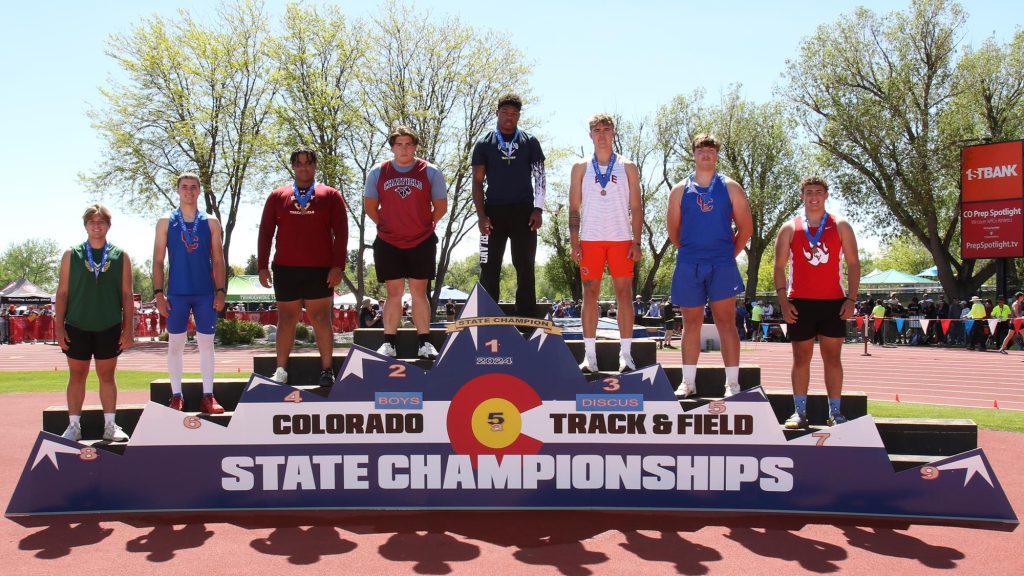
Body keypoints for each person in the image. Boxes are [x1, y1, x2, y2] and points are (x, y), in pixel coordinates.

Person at [667, 134, 753, 398]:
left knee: (726, 322)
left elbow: (746, 227)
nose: (706, 154)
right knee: (690, 323)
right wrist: (693, 252)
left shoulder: (730, 187)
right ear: (693, 154)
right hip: (689, 263)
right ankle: (688, 381)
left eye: (711, 150)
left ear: (717, 155)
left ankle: (732, 384)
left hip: (721, 264)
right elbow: (673, 230)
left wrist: (728, 254)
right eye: (701, 150)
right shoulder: (680, 189)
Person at [773, 176, 860, 428]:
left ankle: (836, 412)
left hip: (833, 301)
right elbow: (778, 267)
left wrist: (851, 298)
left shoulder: (841, 225)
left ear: (826, 195)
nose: (813, 197)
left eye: (818, 192)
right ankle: (799, 412)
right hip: (799, 302)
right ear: (802, 196)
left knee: (833, 358)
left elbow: (853, 264)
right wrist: (783, 301)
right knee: (801, 357)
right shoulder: (789, 227)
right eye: (809, 192)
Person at [258, 149, 347, 386]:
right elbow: (266, 232)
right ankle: (281, 370)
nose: (303, 168)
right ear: (293, 167)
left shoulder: (330, 195)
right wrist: (262, 265)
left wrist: (338, 266)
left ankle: (327, 370)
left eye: (308, 163)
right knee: (286, 319)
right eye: (298, 164)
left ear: (315, 165)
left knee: (320, 319)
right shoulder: (278, 196)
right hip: (286, 268)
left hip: (320, 269)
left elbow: (342, 233)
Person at [364, 126, 448, 359]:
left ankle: (425, 343)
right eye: (399, 144)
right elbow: (370, 205)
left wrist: (423, 223)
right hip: (388, 241)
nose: (404, 148)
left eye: (408, 144)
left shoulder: (430, 171)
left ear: (415, 147)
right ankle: (389, 343)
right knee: (394, 292)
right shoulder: (378, 172)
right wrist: (387, 225)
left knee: (419, 292)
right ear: (392, 147)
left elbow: (440, 206)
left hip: (421, 240)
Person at [568, 113, 643, 373]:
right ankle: (590, 356)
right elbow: (574, 207)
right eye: (596, 130)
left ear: (613, 133)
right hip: (590, 239)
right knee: (590, 295)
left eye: (606, 129)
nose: (601, 134)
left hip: (621, 238)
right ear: (590, 135)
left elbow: (636, 206)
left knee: (624, 295)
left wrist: (637, 241)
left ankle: (626, 355)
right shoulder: (580, 167)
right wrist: (574, 241)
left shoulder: (628, 166)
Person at [55, 204, 134, 442]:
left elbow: (127, 295)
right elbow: (62, 293)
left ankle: (110, 425)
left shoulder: (121, 256)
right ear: (85, 225)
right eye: (92, 222)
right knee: (76, 376)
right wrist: (58, 327)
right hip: (77, 325)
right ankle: (73, 426)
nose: (96, 226)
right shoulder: (72, 254)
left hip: (109, 325)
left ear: (108, 225)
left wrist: (128, 328)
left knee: (107, 376)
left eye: (101, 222)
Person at [152, 172, 226, 413]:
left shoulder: (211, 221)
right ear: (178, 190)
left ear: (199, 190)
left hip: (205, 293)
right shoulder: (166, 221)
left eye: (193, 187)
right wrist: (159, 293)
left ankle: (208, 395)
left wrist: (220, 291)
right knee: (175, 344)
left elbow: (218, 259)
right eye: (184, 187)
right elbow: (157, 260)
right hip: (177, 293)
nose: (189, 191)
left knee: (207, 344)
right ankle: (176, 395)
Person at [472, 94, 546, 317]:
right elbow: (477, 181)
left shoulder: (530, 141)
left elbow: (540, 177)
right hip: (493, 212)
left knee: (525, 265)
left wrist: (538, 209)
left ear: (519, 116)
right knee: (489, 265)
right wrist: (481, 214)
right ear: (497, 113)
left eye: (514, 114)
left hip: (524, 211)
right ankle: (487, 313)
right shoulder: (484, 143)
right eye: (505, 112)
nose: (509, 117)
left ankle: (525, 315)